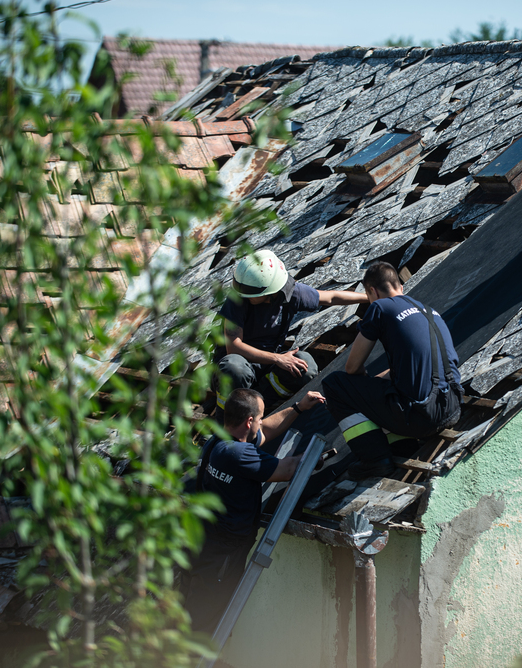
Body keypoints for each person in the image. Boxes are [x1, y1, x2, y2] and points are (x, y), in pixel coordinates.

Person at [182, 386, 325, 633]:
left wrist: (298, 407)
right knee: (207, 613)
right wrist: (315, 457)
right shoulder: (239, 455)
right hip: (225, 551)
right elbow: (288, 470)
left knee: (195, 603)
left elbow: (266, 430)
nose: (261, 422)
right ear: (248, 422)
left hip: (208, 542)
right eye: (258, 418)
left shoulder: (218, 443)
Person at [322, 261, 463, 478]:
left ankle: (375, 459)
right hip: (452, 407)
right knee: (387, 386)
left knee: (335, 384)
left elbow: (352, 367)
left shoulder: (380, 307)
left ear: (371, 291)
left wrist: (364, 387)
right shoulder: (428, 310)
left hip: (423, 418)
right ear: (400, 287)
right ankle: (402, 446)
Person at [217, 249, 367, 409]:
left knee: (306, 366)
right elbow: (233, 347)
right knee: (235, 368)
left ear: (271, 291)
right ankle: (228, 419)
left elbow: (331, 297)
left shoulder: (290, 293)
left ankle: (261, 406)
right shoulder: (237, 300)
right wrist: (278, 358)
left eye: (251, 293)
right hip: (241, 364)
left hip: (267, 366)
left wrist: (370, 297)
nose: (245, 295)